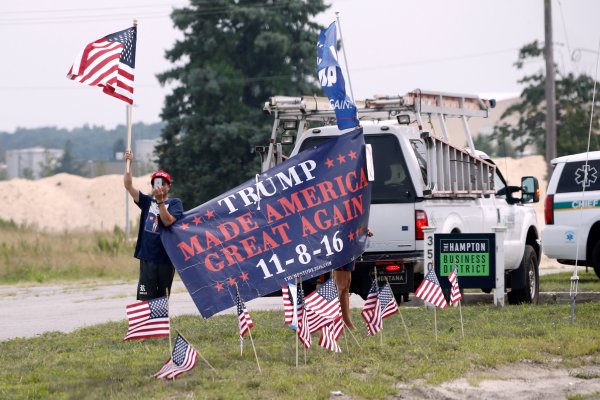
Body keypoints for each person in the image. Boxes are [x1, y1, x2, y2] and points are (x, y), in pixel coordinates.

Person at [123, 149, 183, 300]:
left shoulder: (175, 203)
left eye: (163, 183)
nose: (160, 186)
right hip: (148, 256)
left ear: (169, 186)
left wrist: (161, 201)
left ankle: (160, 322)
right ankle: (147, 323)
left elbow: (168, 221)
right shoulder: (147, 202)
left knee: (162, 297)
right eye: (156, 183)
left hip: (166, 258)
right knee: (145, 297)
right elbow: (128, 185)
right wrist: (128, 164)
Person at [335, 228, 374, 330]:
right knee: (341, 287)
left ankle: (347, 323)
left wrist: (363, 228)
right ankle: (339, 323)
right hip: (338, 244)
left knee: (346, 286)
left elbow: (353, 220)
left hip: (348, 246)